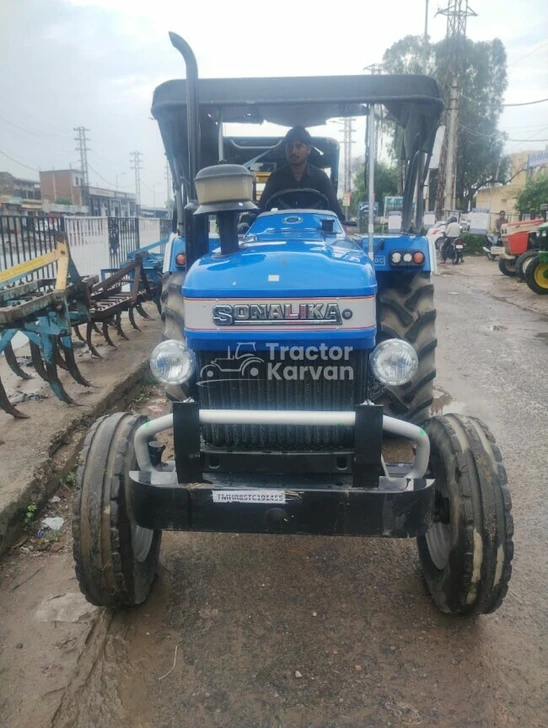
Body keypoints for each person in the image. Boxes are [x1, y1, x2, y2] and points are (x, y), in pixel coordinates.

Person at [258, 126, 345, 222]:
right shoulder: (275, 178)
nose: (293, 151)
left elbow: (336, 212)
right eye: (290, 147)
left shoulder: (321, 178)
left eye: (298, 146)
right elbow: (261, 210)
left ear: (308, 149)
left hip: (315, 231)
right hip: (283, 231)